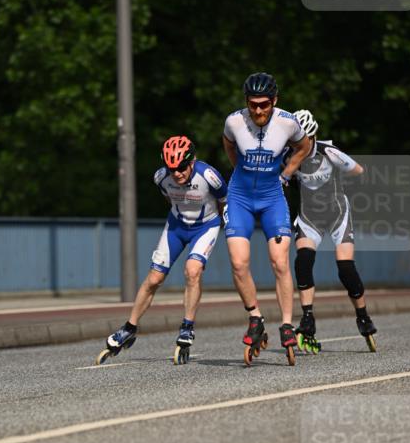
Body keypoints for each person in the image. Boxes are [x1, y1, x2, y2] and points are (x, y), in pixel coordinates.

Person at [99, 136, 227, 365]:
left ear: (192, 161)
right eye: (172, 169)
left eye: (181, 167)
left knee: (193, 270)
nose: (177, 173)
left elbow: (225, 203)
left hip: (206, 226)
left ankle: (187, 327)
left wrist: (218, 223)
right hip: (177, 226)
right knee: (154, 278)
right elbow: (169, 199)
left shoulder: (209, 176)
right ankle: (129, 327)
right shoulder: (161, 178)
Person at [222, 72, 313, 365]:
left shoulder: (288, 122)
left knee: (279, 261)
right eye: (253, 104)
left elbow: (305, 146)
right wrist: (240, 170)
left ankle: (286, 324)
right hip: (240, 197)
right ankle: (255, 317)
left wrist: (287, 174)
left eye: (264, 104)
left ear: (274, 100)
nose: (258, 110)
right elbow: (229, 145)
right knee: (238, 263)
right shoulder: (234, 121)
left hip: (272, 197)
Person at [289, 109, 378, 352]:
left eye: (303, 141)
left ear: (313, 135)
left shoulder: (329, 152)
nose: (300, 146)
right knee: (303, 261)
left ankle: (362, 315)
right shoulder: (288, 156)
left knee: (345, 268)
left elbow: (359, 171)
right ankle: (307, 318)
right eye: (295, 141)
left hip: (338, 212)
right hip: (310, 216)